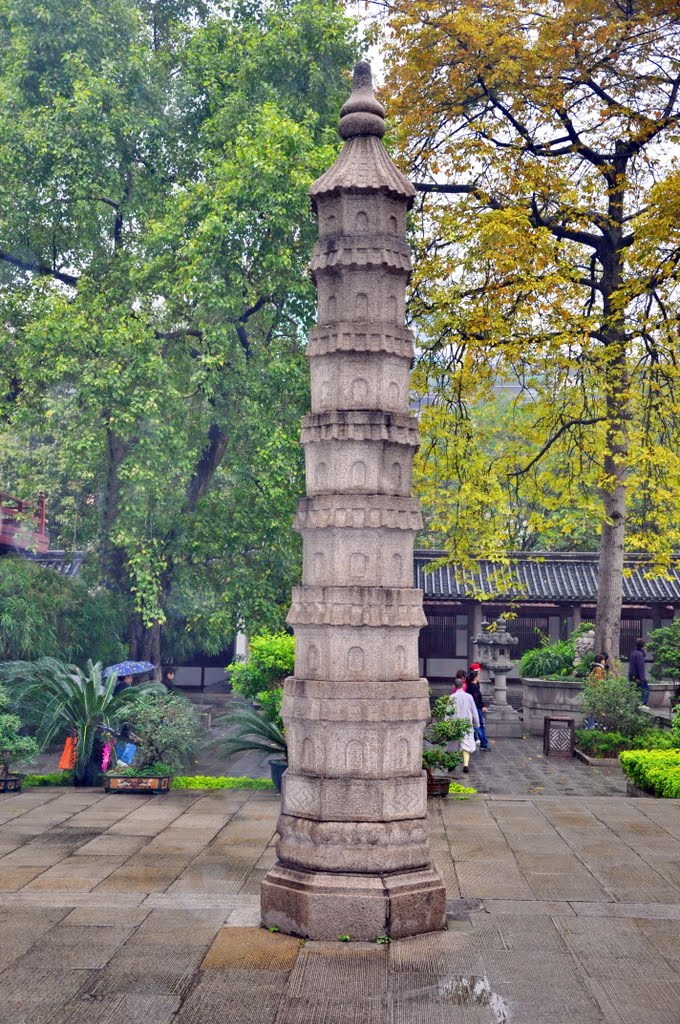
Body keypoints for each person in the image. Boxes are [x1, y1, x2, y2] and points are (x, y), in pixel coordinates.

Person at [448, 679, 480, 774]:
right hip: (466, 724)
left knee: (453, 744)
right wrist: (477, 724)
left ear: (454, 686)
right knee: (466, 744)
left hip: (454, 724)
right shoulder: (469, 697)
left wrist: (447, 724)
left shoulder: (451, 697)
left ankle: (452, 763)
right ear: (463, 686)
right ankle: (465, 765)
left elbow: (447, 713)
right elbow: (474, 712)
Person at [466, 668, 489, 750]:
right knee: (479, 725)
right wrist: (481, 707)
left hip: (474, 708)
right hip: (476, 709)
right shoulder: (474, 687)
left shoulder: (471, 686)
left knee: (475, 726)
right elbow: (476, 700)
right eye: (478, 675)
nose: (479, 676)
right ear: (475, 677)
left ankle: (475, 741)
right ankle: (484, 744)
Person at [629, 637, 649, 705]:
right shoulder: (640, 655)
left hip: (632, 675)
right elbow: (640, 668)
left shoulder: (633, 653)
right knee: (645, 690)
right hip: (637, 676)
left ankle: (635, 704)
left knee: (634, 690)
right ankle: (642, 704)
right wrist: (642, 679)